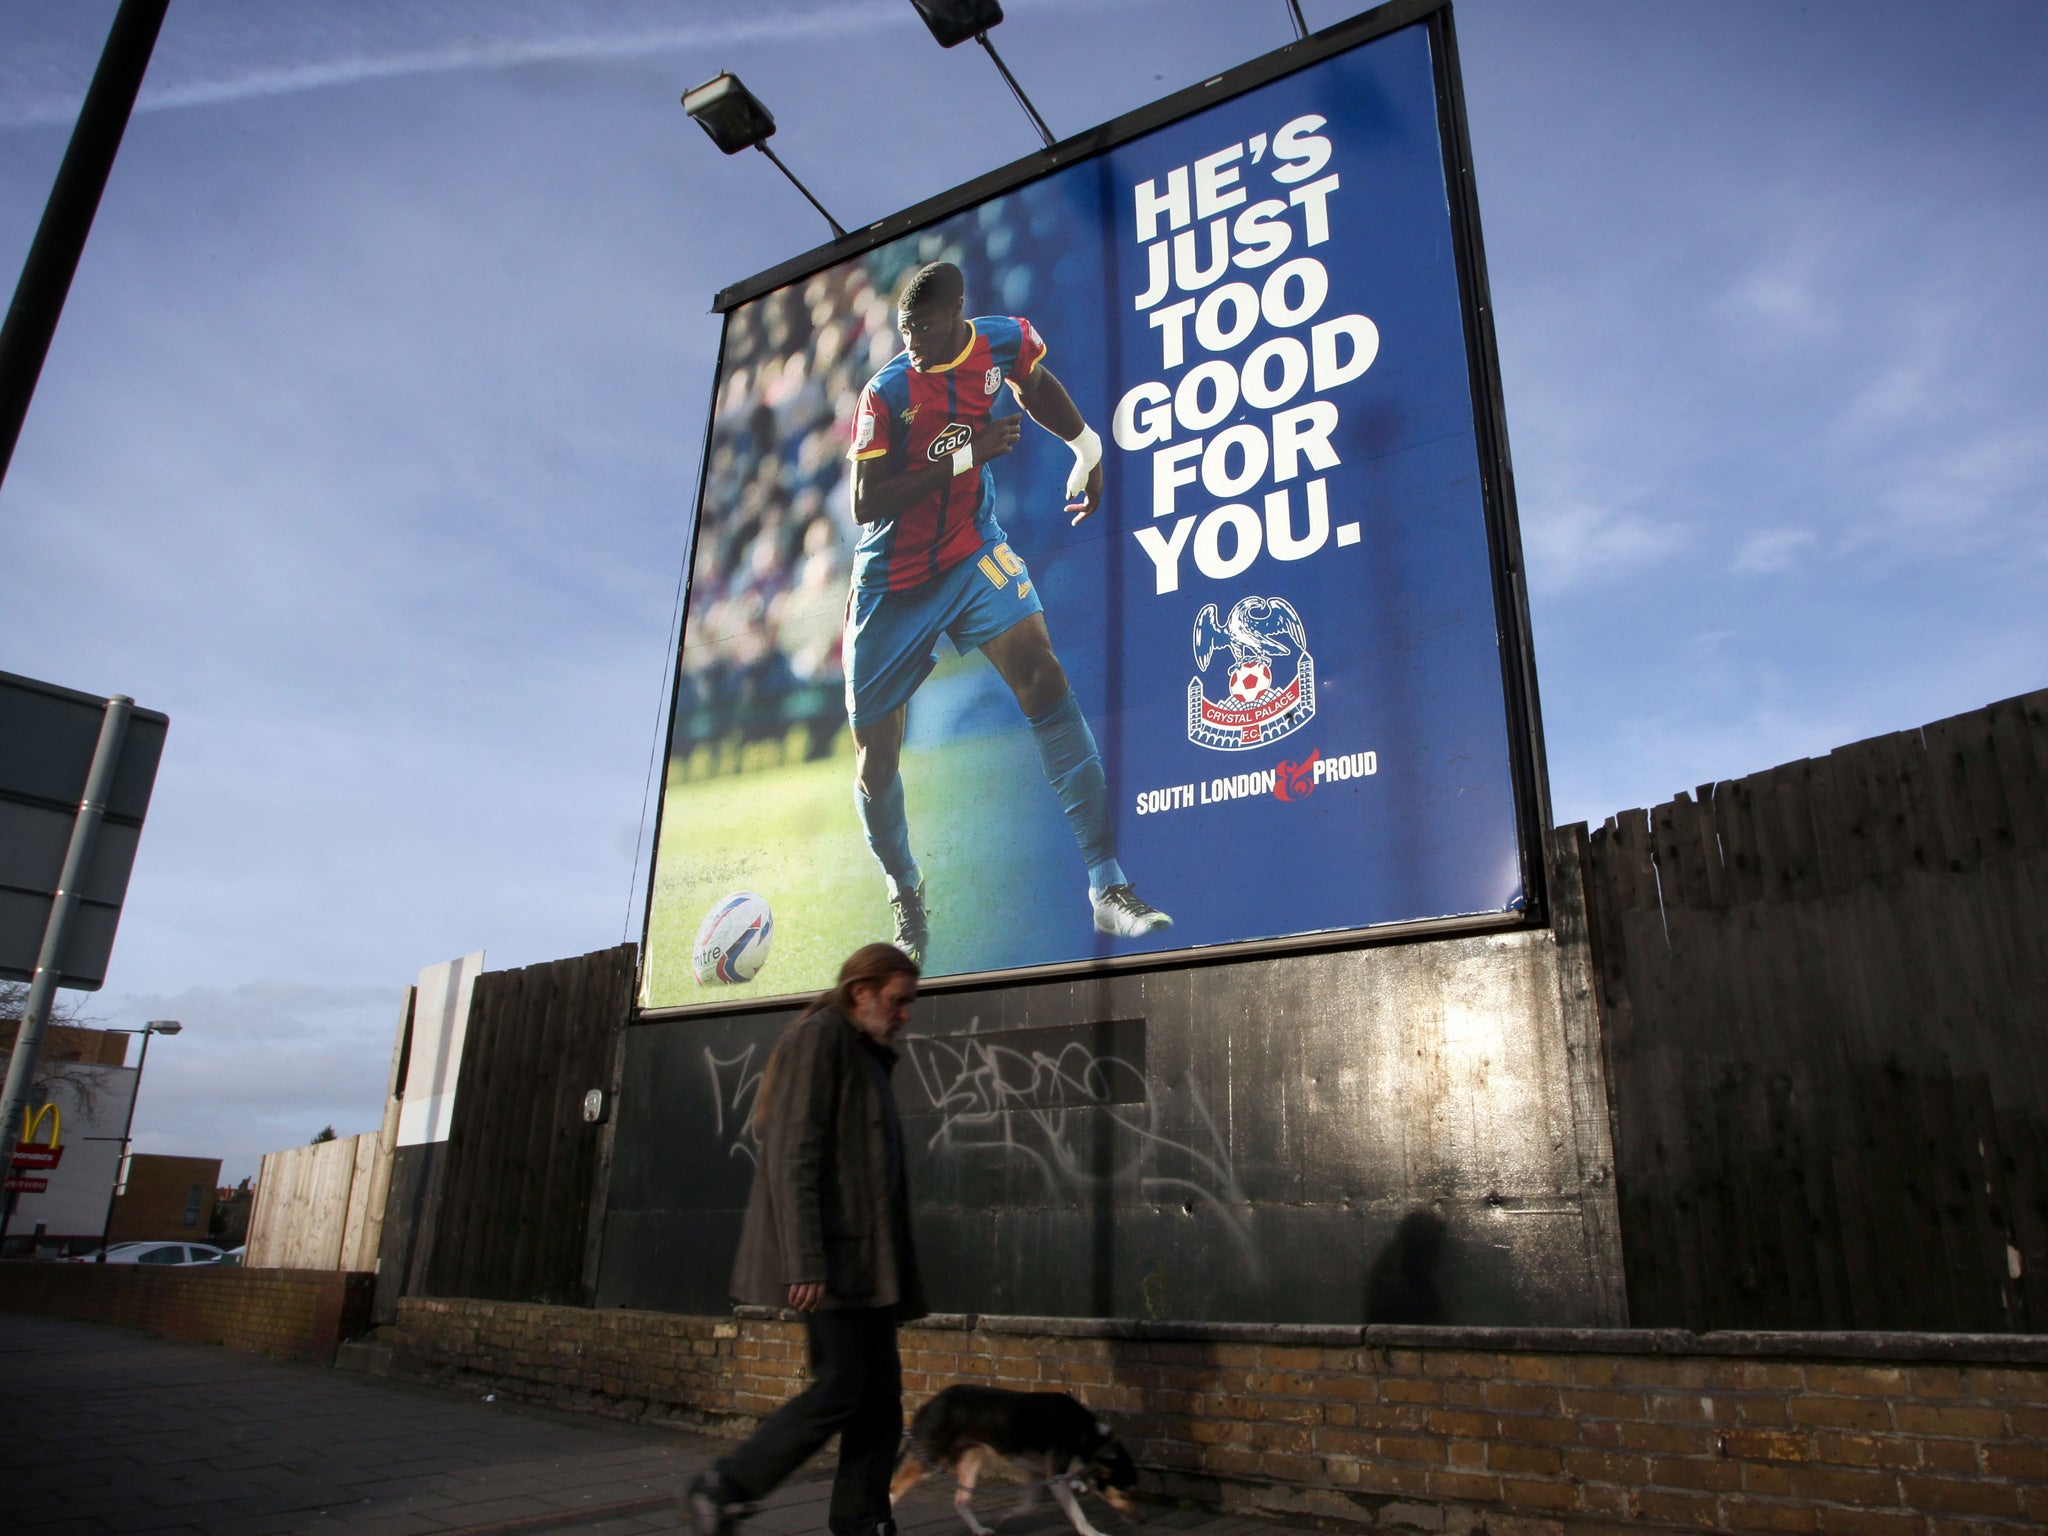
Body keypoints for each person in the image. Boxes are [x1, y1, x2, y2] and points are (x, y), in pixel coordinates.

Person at [843, 260, 1172, 964]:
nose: (914, 342)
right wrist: (969, 458)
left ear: (958, 313)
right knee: (877, 761)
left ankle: (1106, 884)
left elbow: (1037, 386)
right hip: (892, 585)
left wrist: (1086, 448)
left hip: (970, 551)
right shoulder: (888, 390)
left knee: (1044, 676)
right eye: (905, 330)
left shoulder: (1000, 342)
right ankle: (906, 889)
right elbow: (866, 503)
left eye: (925, 329)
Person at [687, 943, 925, 1536]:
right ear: (860, 992)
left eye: (909, 1003)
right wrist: (804, 1261)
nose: (905, 1014)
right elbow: (793, 1159)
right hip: (833, 1261)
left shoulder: (866, 1052)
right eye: (898, 1001)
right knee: (842, 1387)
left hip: (869, 1264)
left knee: (879, 1404)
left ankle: (863, 1523)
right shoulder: (821, 1040)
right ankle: (725, 1486)